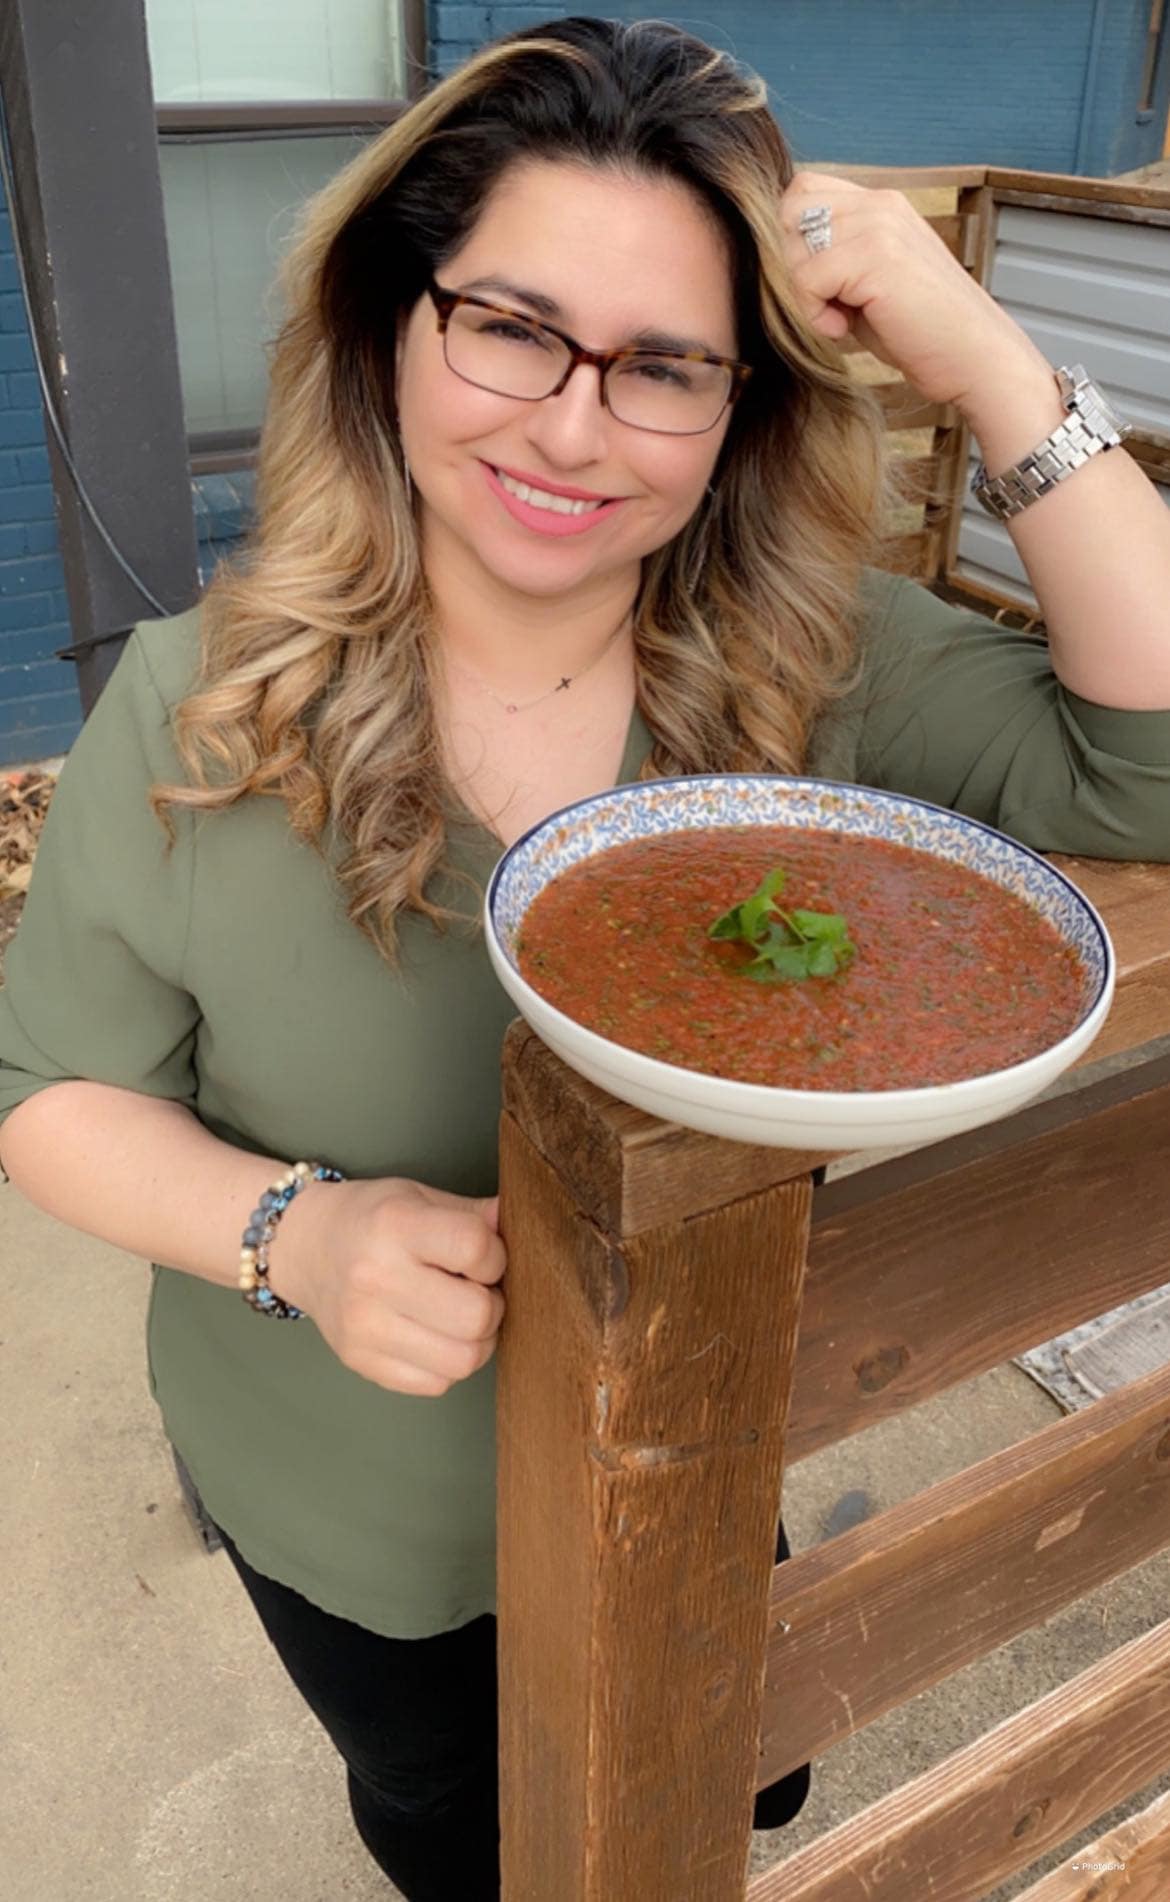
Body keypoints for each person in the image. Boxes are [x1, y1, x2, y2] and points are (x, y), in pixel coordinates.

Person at [2, 15, 1169, 1899]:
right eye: (511, 326)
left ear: (739, 414)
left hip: (701, 1440)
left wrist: (982, 350)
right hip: (355, 1501)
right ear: (395, 330)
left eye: (662, 370)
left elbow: (1154, 755)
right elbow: (47, 1091)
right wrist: (292, 1228)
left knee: (731, 1792)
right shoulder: (197, 710)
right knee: (460, 1824)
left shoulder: (809, 670)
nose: (568, 425)